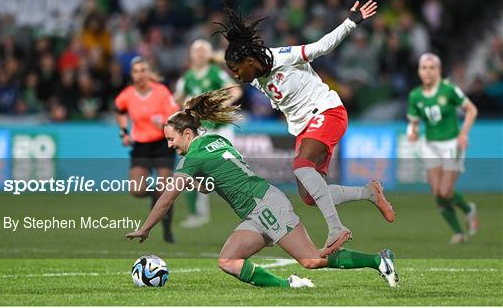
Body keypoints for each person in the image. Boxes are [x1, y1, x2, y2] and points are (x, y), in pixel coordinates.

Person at [126, 89, 399, 288]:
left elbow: (165, 200)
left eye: (171, 139)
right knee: (228, 261)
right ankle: (288, 285)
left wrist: (146, 227)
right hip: (257, 209)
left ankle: (379, 260)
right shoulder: (216, 140)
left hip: (264, 206)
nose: (169, 145)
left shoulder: (192, 156)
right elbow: (212, 183)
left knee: (313, 260)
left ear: (186, 134)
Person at [213, 0, 394, 256]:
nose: (234, 74)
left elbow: (321, 47)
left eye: (235, 69)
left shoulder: (283, 57)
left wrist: (351, 22)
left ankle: (336, 229)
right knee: (309, 196)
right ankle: (369, 192)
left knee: (302, 166)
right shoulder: (255, 78)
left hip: (327, 111)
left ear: (249, 60)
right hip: (305, 128)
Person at [406, 53, 479, 244]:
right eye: (424, 68)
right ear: (419, 71)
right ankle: (458, 232)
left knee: (445, 192)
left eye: (432, 68)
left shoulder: (449, 90)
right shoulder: (415, 95)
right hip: (430, 145)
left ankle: (469, 209)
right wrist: (412, 132)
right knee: (437, 193)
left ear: (438, 71)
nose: (428, 72)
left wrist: (463, 134)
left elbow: (472, 110)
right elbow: (413, 122)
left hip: (451, 144)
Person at [174, 39, 243, 228]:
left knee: (227, 172)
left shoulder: (215, 73)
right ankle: (198, 214)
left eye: (204, 50)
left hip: (220, 131)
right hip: (199, 133)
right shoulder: (187, 78)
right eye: (196, 50)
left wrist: (222, 104)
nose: (200, 54)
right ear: (191, 55)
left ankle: (250, 207)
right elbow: (177, 98)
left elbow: (235, 90)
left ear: (209, 54)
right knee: (190, 171)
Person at [115, 56, 179, 243]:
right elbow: (119, 110)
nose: (140, 74)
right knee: (136, 190)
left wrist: (165, 121)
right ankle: (156, 194)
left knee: (165, 187)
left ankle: (167, 230)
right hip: (141, 146)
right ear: (132, 74)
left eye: (143, 70)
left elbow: (175, 115)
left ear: (148, 72)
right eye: (136, 71)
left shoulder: (161, 92)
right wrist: (123, 133)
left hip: (162, 144)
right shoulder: (127, 95)